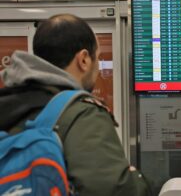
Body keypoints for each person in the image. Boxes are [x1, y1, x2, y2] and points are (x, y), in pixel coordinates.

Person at [0, 14, 149, 196]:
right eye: (98, 58)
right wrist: (135, 180)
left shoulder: (7, 104)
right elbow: (112, 189)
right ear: (84, 59)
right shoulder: (81, 113)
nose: (98, 67)